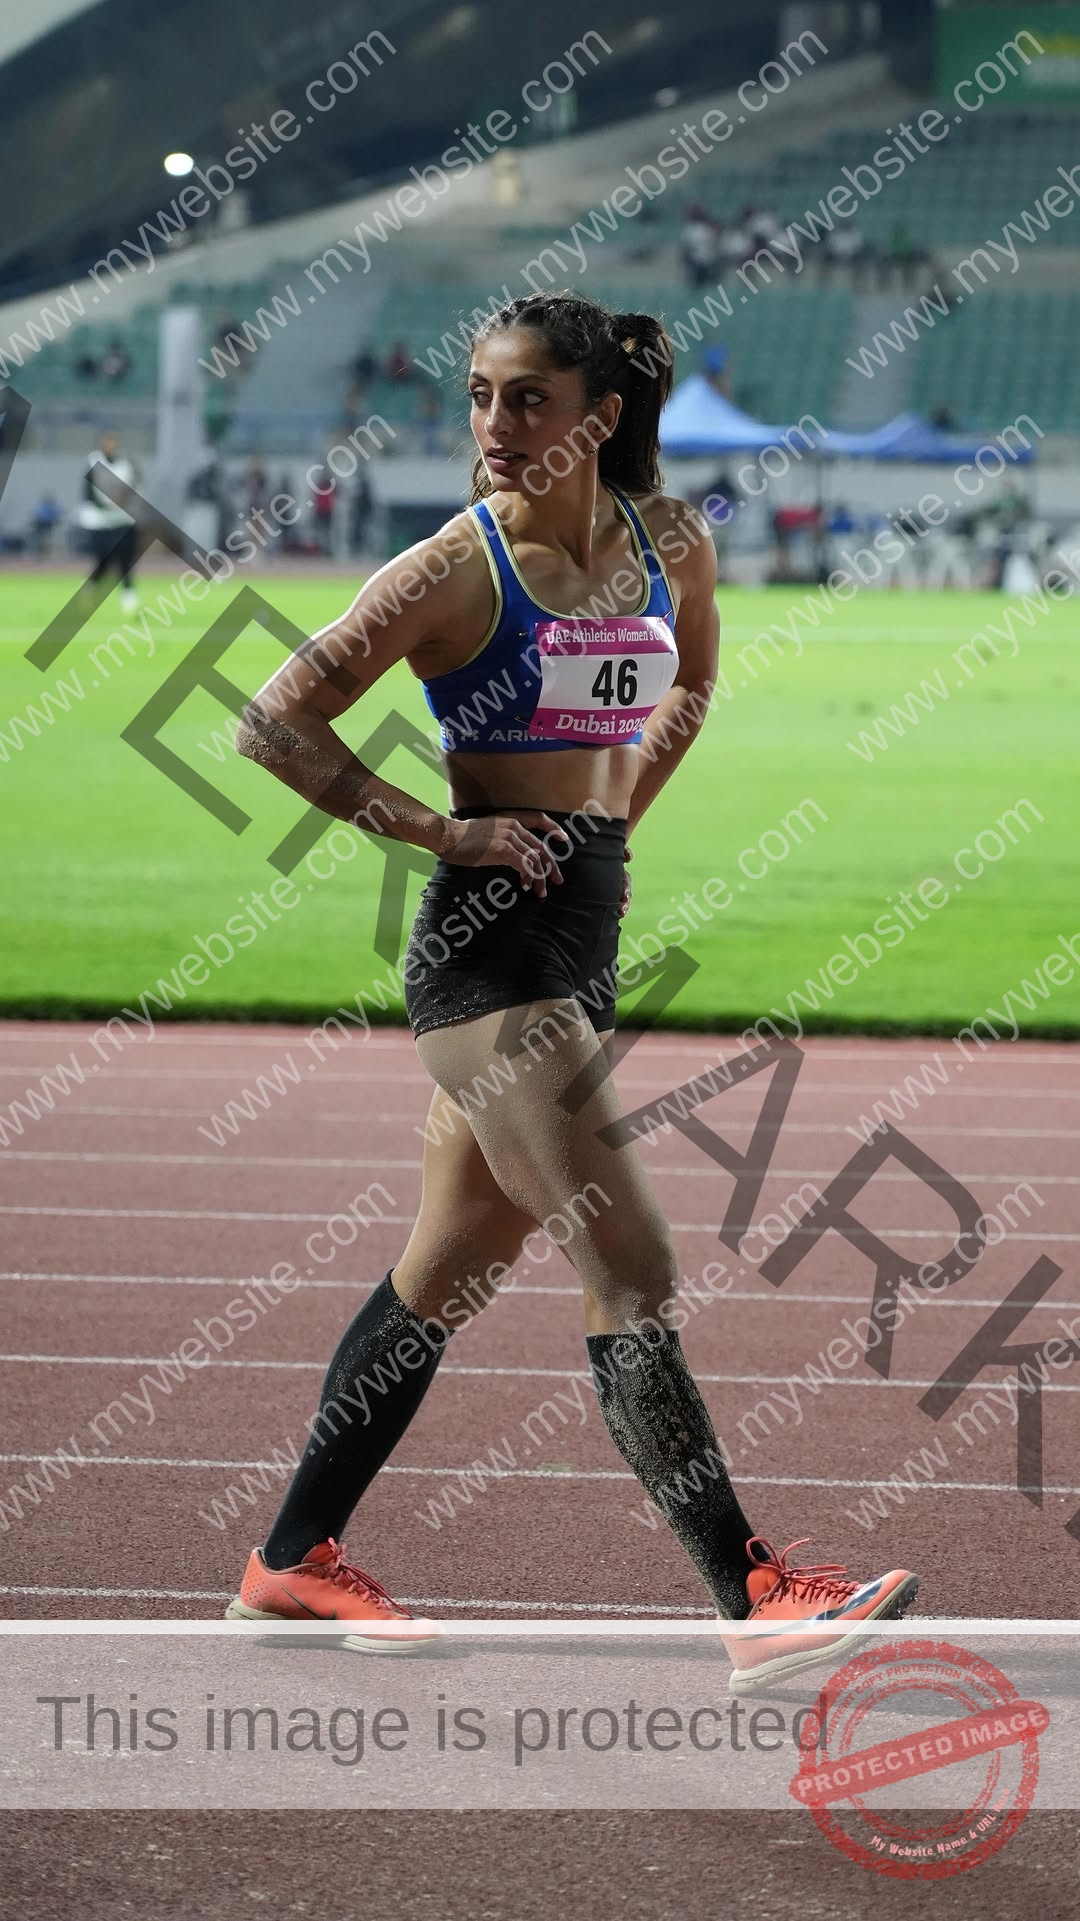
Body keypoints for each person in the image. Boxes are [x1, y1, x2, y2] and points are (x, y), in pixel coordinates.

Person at [225, 289, 919, 1688]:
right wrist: (443, 832)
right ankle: (754, 1599)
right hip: (484, 960)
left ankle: (290, 1562)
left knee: (445, 1269)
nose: (493, 423)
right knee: (632, 1262)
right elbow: (270, 721)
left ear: (599, 416)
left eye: (526, 398)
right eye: (480, 395)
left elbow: (692, 688)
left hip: (580, 939)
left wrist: (613, 827)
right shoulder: (451, 569)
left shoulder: (671, 543)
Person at [77, 430, 140, 611]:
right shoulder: (94, 463)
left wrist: (123, 500)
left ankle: (129, 598)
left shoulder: (126, 465)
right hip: (100, 522)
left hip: (122, 520)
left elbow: (134, 486)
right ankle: (90, 586)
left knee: (125, 560)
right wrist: (106, 505)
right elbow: (87, 493)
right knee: (103, 561)